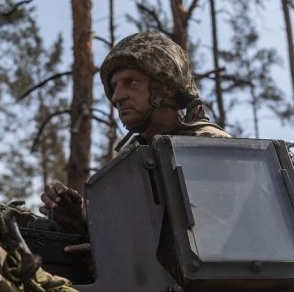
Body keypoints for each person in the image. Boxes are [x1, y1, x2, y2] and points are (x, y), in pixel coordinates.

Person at [39, 32, 229, 245]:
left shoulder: (208, 147)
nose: (117, 97)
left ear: (165, 87)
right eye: (115, 86)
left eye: (131, 83)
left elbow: (215, 241)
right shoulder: (132, 162)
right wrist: (80, 223)